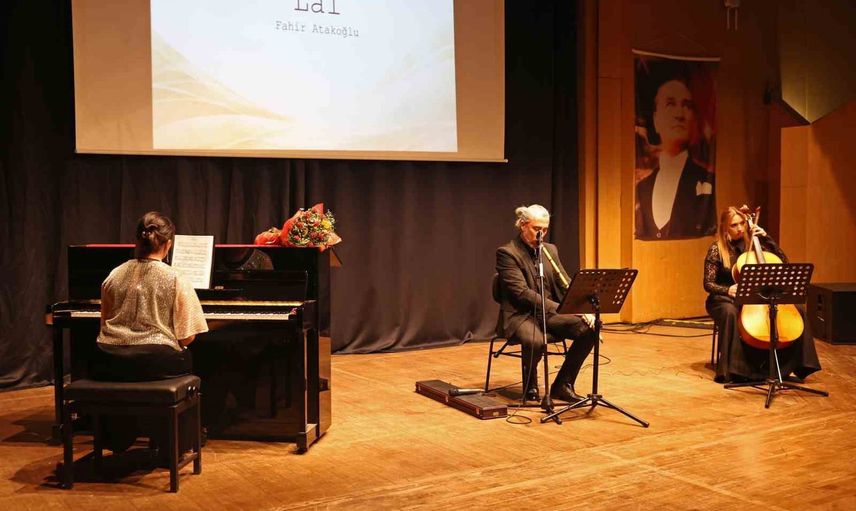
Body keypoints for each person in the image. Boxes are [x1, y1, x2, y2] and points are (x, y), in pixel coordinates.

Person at [92, 211, 209, 452]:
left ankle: (119, 436)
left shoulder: (113, 275)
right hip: (155, 361)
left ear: (136, 241)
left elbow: (104, 323)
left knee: (129, 369)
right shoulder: (175, 278)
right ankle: (175, 439)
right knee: (188, 357)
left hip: (109, 359)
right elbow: (187, 337)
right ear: (168, 245)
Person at [703, 206, 821, 383]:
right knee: (730, 313)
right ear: (725, 227)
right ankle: (734, 369)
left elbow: (784, 263)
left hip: (755, 298)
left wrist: (766, 238)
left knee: (798, 309)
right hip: (724, 299)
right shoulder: (717, 249)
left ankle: (796, 365)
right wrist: (727, 289)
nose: (740, 228)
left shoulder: (757, 243)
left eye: (742, 223)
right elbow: (708, 283)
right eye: (734, 225)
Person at [495, 204, 597, 404]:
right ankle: (530, 384)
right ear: (523, 225)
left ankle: (562, 385)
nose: (541, 234)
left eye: (545, 229)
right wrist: (559, 308)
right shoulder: (507, 253)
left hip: (548, 313)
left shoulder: (550, 250)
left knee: (591, 330)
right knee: (536, 340)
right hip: (520, 315)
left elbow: (565, 283)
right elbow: (521, 293)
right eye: (536, 229)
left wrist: (581, 308)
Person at [635, 78, 716, 240]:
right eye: (670, 104)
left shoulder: (707, 181)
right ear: (656, 119)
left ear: (694, 119)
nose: (679, 115)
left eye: (686, 106)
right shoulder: (643, 187)